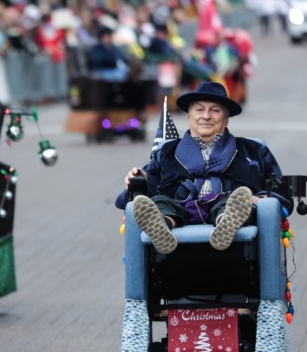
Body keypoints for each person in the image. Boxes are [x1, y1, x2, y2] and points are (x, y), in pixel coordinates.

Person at [115, 81, 293, 254]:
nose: (206, 116)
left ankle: (226, 222)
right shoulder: (166, 153)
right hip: (180, 209)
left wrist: (259, 199)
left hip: (230, 207)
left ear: (226, 119)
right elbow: (132, 198)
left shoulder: (254, 151)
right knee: (162, 203)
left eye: (215, 110)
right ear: (189, 117)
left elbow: (283, 195)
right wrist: (136, 181)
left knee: (235, 202)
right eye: (199, 110)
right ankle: (162, 224)